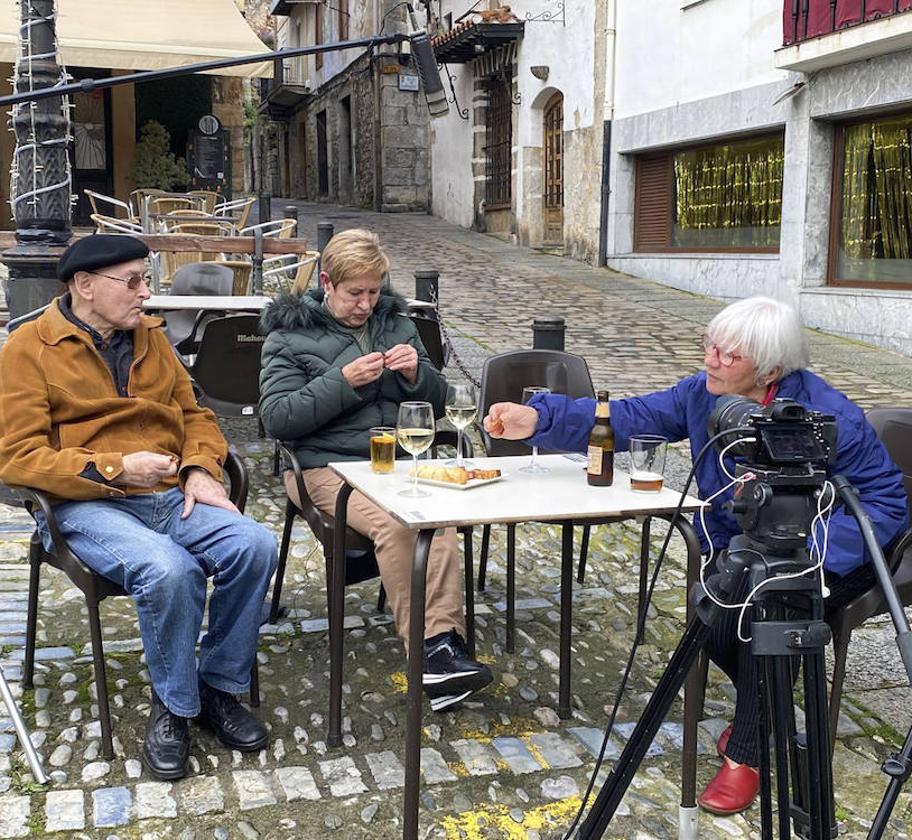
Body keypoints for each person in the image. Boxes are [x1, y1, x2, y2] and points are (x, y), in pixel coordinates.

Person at [483, 296, 908, 815]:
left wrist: (808, 552)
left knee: (772, 603)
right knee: (717, 614)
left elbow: (885, 504)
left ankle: (746, 755)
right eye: (710, 345)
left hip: (829, 550)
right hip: (738, 547)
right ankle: (770, 706)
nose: (711, 360)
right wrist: (540, 416)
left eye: (729, 356)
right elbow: (631, 414)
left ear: (770, 370)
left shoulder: (825, 416)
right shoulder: (704, 393)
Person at [0, 234, 277, 781]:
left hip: (166, 493)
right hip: (83, 505)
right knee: (169, 570)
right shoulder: (28, 350)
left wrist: (198, 469)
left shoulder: (152, 339)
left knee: (255, 544)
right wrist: (115, 468)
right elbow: (14, 458)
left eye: (146, 279)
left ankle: (217, 688)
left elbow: (195, 415)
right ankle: (174, 706)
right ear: (85, 286)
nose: (146, 293)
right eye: (134, 281)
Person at [258, 228, 492, 712]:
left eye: (373, 290)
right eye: (354, 293)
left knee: (435, 516)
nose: (366, 304)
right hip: (325, 467)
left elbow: (439, 399)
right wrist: (340, 382)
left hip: (395, 461)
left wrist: (415, 374)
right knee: (396, 520)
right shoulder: (289, 334)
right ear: (327, 282)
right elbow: (277, 419)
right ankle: (429, 653)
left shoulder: (396, 323)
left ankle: (443, 647)